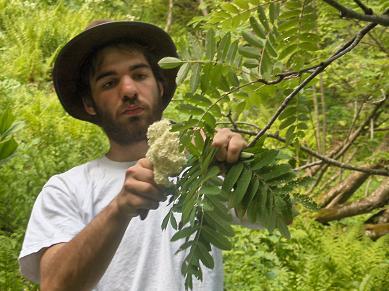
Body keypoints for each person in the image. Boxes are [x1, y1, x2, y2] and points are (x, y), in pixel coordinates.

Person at [18, 20, 248, 291]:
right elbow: (54, 285)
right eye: (109, 82)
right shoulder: (67, 189)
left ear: (160, 87)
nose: (128, 91)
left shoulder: (204, 167)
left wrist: (238, 168)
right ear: (89, 104)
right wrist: (119, 208)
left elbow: (283, 214)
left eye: (139, 75)